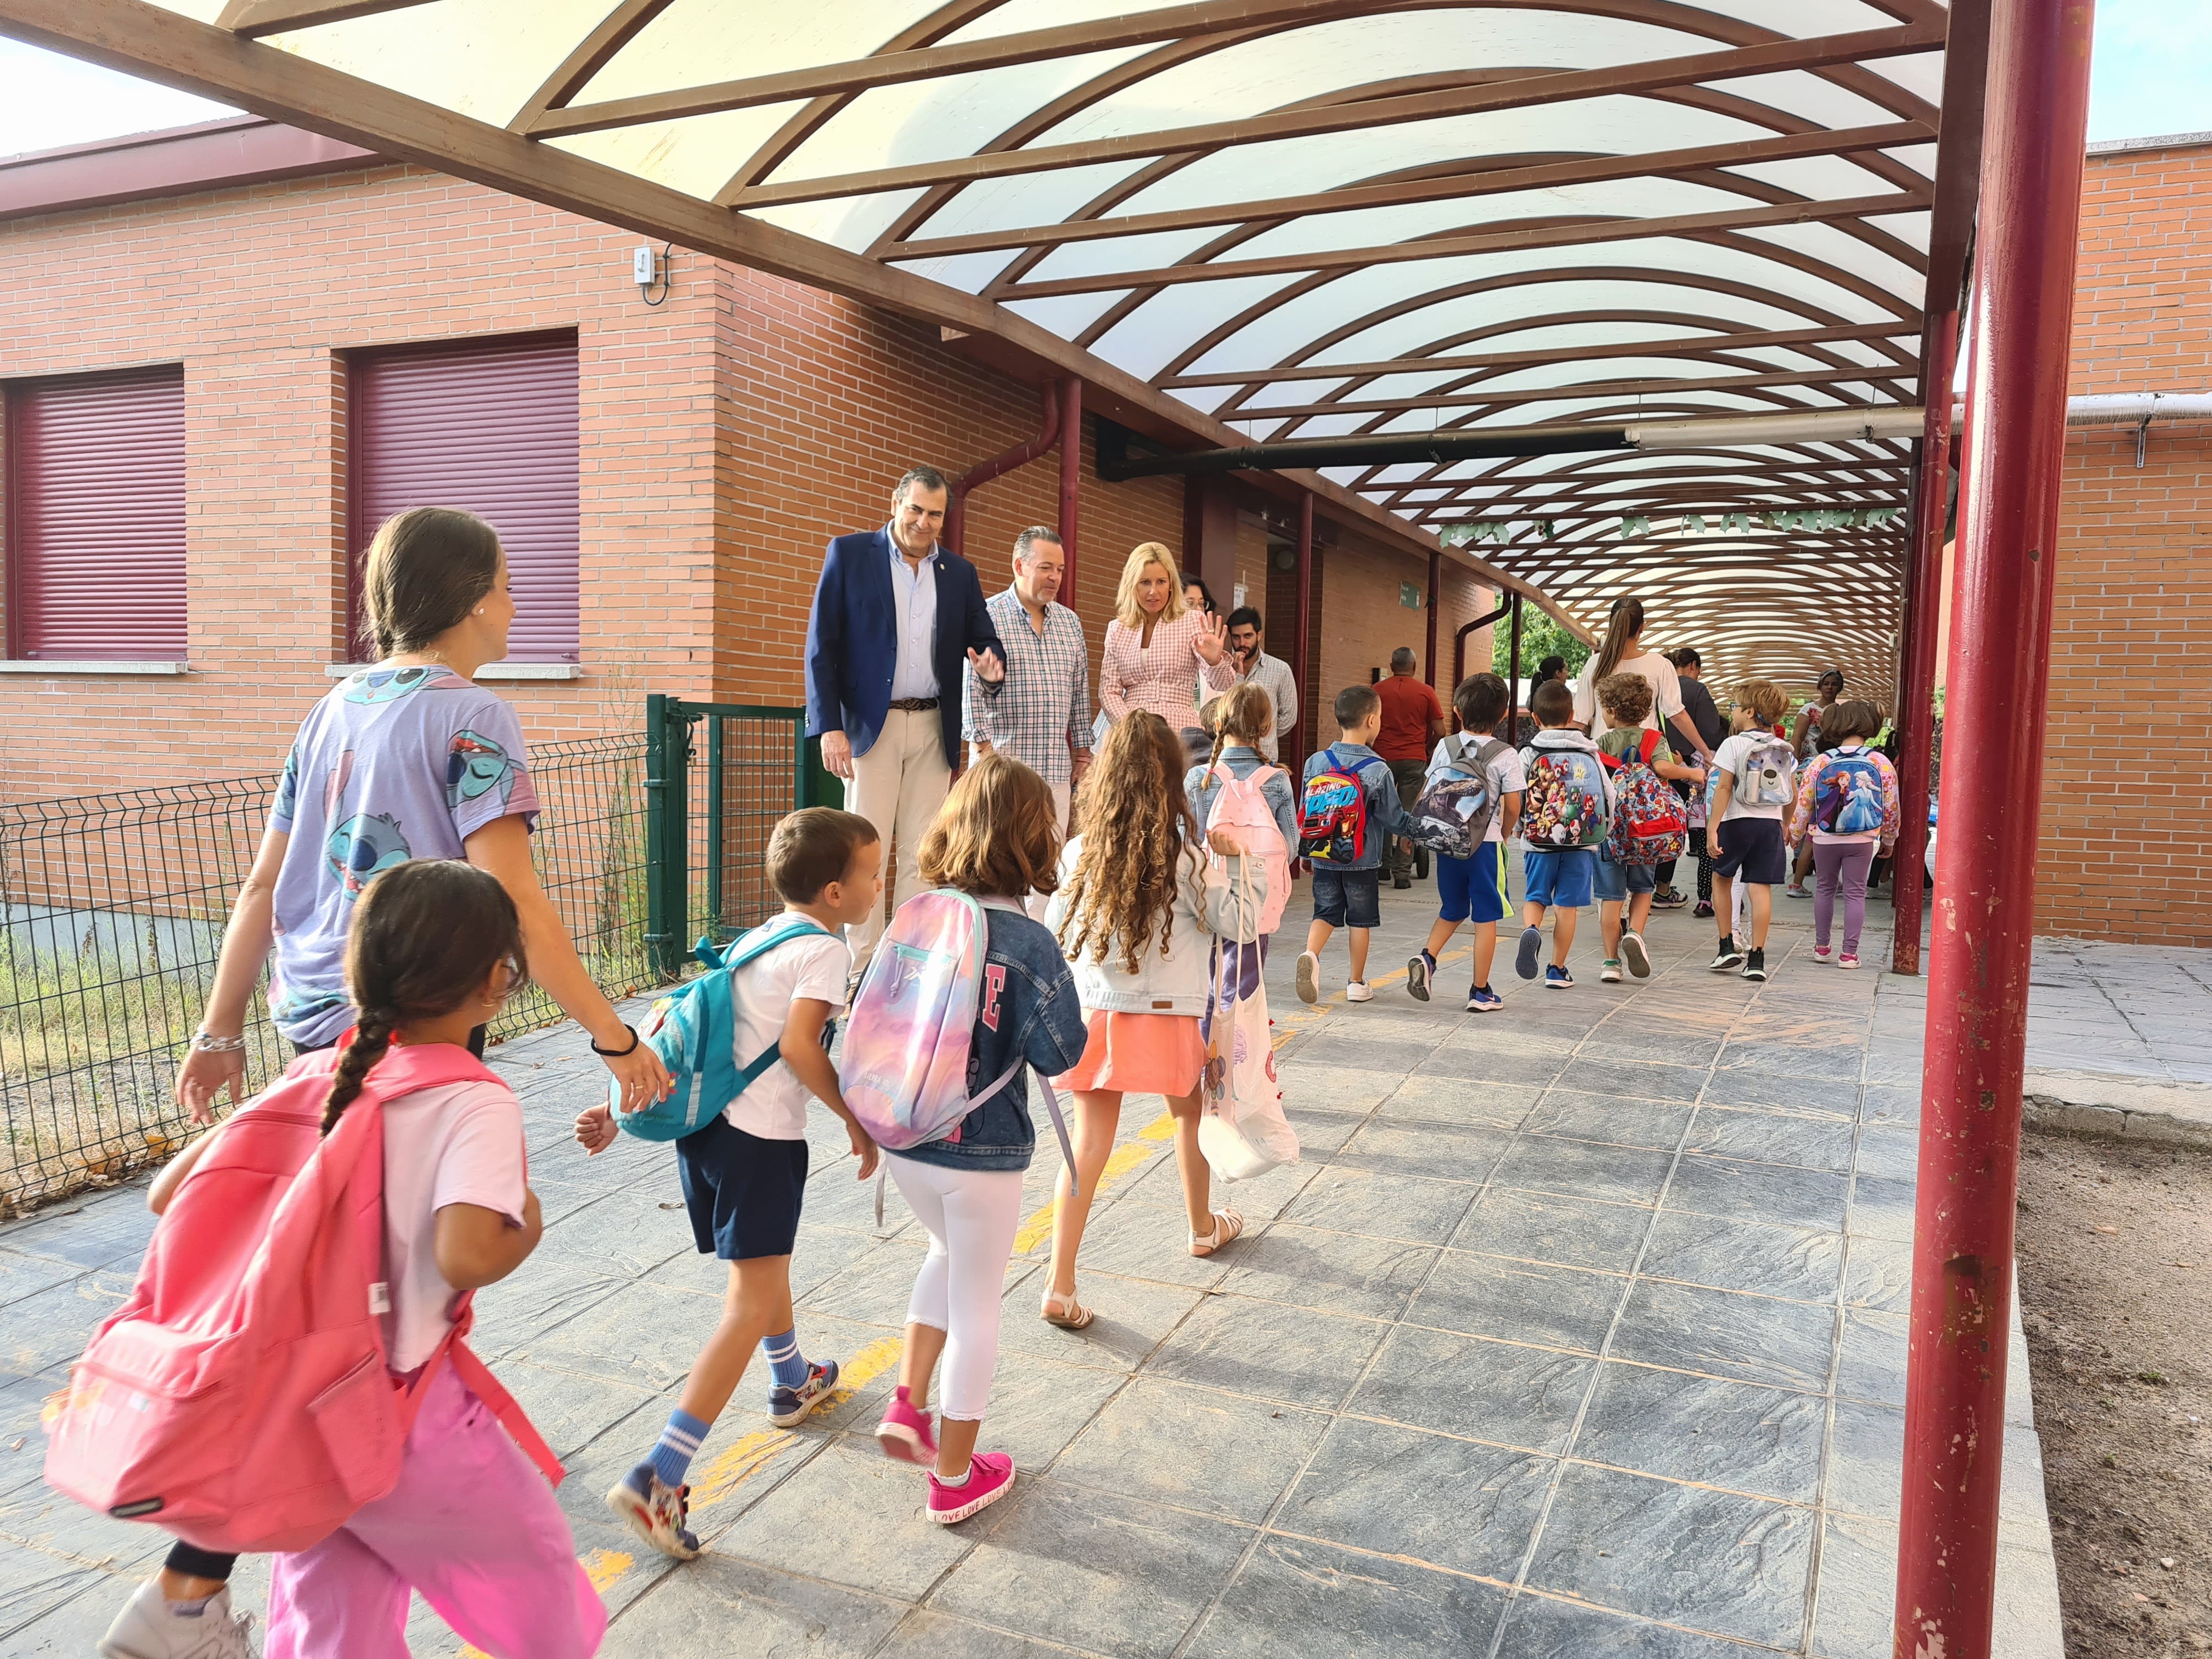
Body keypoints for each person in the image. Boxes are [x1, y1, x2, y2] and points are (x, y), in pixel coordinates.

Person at [120, 506, 672, 1659]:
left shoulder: (333, 707)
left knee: (319, 1291)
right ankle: (220, 1566)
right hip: (419, 1030)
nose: (518, 609)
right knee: (369, 1317)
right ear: (471, 597)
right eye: (510, 586)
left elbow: (264, 885)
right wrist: (616, 1044)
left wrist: (222, 1027)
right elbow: (514, 901)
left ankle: (224, 1571)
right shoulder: (475, 717)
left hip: (318, 1028)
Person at [136, 862, 605, 1659]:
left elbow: (167, 1194)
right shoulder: (473, 1099)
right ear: (498, 978)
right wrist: (526, 1222)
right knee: (536, 1583)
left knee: (334, 1616)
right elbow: (465, 1253)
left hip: (312, 1420)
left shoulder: (316, 1073)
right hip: (408, 1416)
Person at [575, 809, 885, 1561]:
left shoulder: (759, 938)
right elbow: (797, 1047)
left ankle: (792, 1381)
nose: (882, 883)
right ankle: (663, 1472)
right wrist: (854, 1117)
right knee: (748, 1301)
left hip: (707, 1133)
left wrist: (622, 1110)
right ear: (839, 892)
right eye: (876, 874)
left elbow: (697, 1028)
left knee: (764, 1267)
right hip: (758, 1141)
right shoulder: (822, 953)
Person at [868, 756, 1090, 1523]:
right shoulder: (1028, 944)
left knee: (944, 1254)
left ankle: (906, 1402)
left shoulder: (918, 913)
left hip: (905, 1138)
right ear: (1033, 840)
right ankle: (956, 1475)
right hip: (982, 1152)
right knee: (979, 1305)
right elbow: (1064, 1055)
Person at [1044, 713, 1267, 1324]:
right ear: (1172, 777)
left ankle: (1060, 1284)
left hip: (1098, 1014)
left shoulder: (1077, 854)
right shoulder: (1187, 858)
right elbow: (1239, 924)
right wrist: (1243, 862)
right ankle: (1201, 1226)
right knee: (1188, 1119)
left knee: (1087, 1145)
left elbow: (1056, 932)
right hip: (1170, 1017)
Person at [804, 465, 1007, 970]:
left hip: (934, 726)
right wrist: (829, 726)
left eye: (935, 514)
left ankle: (907, 961)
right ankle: (858, 968)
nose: (923, 522)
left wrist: (989, 664)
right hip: (871, 728)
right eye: (915, 508)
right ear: (896, 502)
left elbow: (985, 638)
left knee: (922, 853)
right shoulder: (850, 555)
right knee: (862, 850)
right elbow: (821, 648)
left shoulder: (959, 573)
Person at [963, 526, 1092, 916]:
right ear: (1020, 565)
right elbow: (970, 686)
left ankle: (1038, 951)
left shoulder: (1070, 624)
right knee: (996, 863)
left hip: (1055, 769)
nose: (1055, 577)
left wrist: (1083, 752)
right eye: (1046, 568)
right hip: (1003, 768)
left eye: (1061, 570)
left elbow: (1080, 692)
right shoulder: (986, 616)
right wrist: (983, 750)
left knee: (1048, 869)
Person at [1407, 673, 1522, 1013]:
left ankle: (1427, 959)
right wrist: (1503, 834)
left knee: (1453, 908)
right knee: (1487, 917)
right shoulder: (1505, 755)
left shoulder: (1445, 747)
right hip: (1484, 846)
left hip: (1447, 842)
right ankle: (1480, 990)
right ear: (1503, 715)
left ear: (1457, 711)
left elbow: (1428, 790)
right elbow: (1513, 806)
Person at [1294, 685, 1418, 1005]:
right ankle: (1356, 982)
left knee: (1324, 912)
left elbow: (1307, 811)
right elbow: (1393, 818)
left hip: (1323, 855)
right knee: (1360, 920)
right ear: (1373, 721)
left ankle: (1310, 954)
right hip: (1361, 859)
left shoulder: (1316, 763)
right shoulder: (1377, 769)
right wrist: (1414, 832)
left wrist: (1305, 851)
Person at [1188, 682, 1301, 1002]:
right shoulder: (1277, 779)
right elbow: (1290, 844)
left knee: (1204, 985)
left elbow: (1182, 840)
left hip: (1205, 895)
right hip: (1256, 900)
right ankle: (1238, 1049)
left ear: (1218, 725)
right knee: (1243, 987)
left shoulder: (1199, 778)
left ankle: (1204, 1046)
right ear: (1266, 728)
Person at [1591, 673, 1704, 983]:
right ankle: (1636, 935)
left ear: (1611, 711)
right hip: (1647, 832)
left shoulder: (1601, 743)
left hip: (1610, 832)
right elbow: (1664, 769)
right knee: (1642, 889)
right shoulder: (1655, 739)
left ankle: (1611, 962)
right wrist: (1692, 773)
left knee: (1610, 898)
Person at [1099, 543, 1234, 762]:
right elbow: (1108, 692)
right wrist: (1133, 728)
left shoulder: (1192, 620)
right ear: (1132, 585)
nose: (1154, 591)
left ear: (1171, 584)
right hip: (1130, 736)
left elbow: (1223, 684)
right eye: (1145, 582)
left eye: (1161, 582)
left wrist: (1215, 660)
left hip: (1181, 732)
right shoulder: (1118, 628)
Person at [1789, 701, 1900, 968]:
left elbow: (1805, 800)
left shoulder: (1821, 761)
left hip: (1825, 837)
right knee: (1855, 893)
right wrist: (1889, 838)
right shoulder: (1879, 761)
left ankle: (1822, 947)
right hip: (1862, 838)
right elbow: (1891, 804)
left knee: (1825, 889)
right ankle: (1849, 954)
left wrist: (1795, 832)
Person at [1514, 678, 1609, 989]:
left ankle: (1531, 928)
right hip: (1582, 845)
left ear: (1536, 718)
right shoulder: (1591, 753)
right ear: (1572, 717)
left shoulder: (1529, 753)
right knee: (1567, 907)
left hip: (1539, 843)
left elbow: (1516, 797)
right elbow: (1609, 794)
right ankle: (1557, 969)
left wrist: (1518, 829)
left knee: (1535, 897)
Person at [1709, 681, 1798, 981]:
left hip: (1736, 821)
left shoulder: (1733, 744)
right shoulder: (1783, 749)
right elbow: (1792, 792)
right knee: (1760, 889)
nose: (1732, 713)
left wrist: (1713, 827)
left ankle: (1726, 947)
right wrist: (1786, 822)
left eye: (1734, 707)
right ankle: (1757, 958)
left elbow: (1723, 787)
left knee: (1722, 879)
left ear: (1749, 711)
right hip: (1770, 824)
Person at [1571, 597, 1718, 772]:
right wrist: (1706, 754)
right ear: (1642, 627)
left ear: (1611, 625)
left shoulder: (1595, 664)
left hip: (1604, 761)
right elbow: (1677, 714)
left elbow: (1579, 719)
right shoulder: (1659, 664)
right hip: (1647, 758)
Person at [1662, 647, 1729, 917]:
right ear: (1693, 666)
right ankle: (1664, 886)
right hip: (1689, 773)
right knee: (1672, 829)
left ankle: (1652, 886)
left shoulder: (1656, 685)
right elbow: (1712, 731)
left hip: (1654, 763)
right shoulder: (1697, 690)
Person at [1374, 647, 1447, 889]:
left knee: (1383, 811)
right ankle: (1402, 874)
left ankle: (1382, 867)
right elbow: (1441, 731)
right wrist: (1426, 748)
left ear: (1392, 666)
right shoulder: (1426, 692)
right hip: (1414, 759)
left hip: (1382, 759)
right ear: (1414, 667)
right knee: (1408, 814)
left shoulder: (1377, 691)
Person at [1200, 605, 1299, 763]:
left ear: (1259, 635)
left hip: (1265, 758)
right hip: (1227, 758)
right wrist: (1237, 675)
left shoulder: (1280, 669)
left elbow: (1289, 717)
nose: (1242, 643)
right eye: (1236, 637)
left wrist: (1262, 732)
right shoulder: (1222, 669)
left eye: (1248, 636)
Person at [1786, 669, 1848, 896]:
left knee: (1821, 819)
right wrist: (1792, 765)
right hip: (1811, 765)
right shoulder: (1808, 710)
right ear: (1820, 686)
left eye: (1834, 684)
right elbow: (1798, 738)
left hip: (1836, 768)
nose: (1830, 688)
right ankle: (1799, 859)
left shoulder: (1841, 712)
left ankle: (1806, 866)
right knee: (1809, 816)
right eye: (1826, 684)